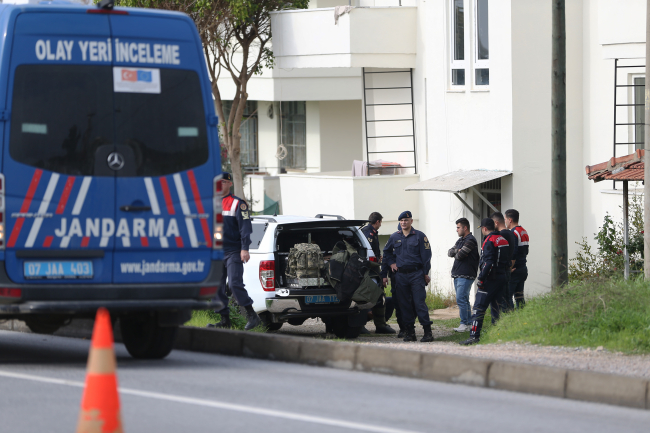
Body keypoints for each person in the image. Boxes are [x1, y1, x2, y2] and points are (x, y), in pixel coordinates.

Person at [208, 172, 261, 331]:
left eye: (223, 182)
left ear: (230, 184)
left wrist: (245, 248)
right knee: (216, 286)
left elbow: (245, 228)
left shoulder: (238, 204)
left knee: (234, 283)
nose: (220, 185)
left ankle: (252, 315)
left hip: (233, 251)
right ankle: (225, 320)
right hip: (216, 251)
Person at [382, 211, 434, 343]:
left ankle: (428, 332)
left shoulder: (420, 236)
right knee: (404, 304)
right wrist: (391, 263)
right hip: (401, 276)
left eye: (406, 220)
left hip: (416, 274)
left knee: (419, 303)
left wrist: (425, 273)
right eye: (401, 221)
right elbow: (386, 252)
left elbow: (427, 256)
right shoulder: (395, 237)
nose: (403, 223)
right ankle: (410, 332)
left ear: (411, 221)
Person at [460, 218, 509, 345]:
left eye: (481, 228)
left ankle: (474, 336)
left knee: (478, 308)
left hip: (490, 279)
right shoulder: (503, 239)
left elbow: (488, 262)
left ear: (484, 228)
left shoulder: (489, 240)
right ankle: (498, 335)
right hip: (502, 277)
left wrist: (481, 278)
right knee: (497, 308)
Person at [360, 212, 396, 334]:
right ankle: (361, 325)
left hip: (373, 270)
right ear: (377, 222)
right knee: (367, 297)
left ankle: (381, 325)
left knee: (380, 297)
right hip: (369, 272)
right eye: (380, 222)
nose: (380, 224)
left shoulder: (370, 231)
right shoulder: (368, 233)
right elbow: (366, 252)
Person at [448, 218, 479, 333]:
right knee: (463, 299)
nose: (456, 230)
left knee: (461, 298)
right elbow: (449, 252)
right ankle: (468, 323)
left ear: (465, 228)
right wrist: (458, 251)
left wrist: (458, 252)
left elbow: (460, 255)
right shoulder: (460, 240)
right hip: (457, 274)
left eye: (458, 227)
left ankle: (465, 323)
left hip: (466, 274)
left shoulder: (471, 240)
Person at [489, 211, 517, 319]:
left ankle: (505, 323)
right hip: (507, 269)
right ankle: (510, 321)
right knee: (507, 299)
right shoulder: (510, 233)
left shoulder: (502, 235)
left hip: (503, 270)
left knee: (503, 301)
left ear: (496, 222)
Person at [505, 209, 529, 308]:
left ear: (510, 220)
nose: (505, 221)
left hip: (515, 270)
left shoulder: (513, 233)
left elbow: (513, 253)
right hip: (523, 268)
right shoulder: (523, 231)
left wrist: (510, 268)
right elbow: (526, 250)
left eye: (505, 219)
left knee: (507, 297)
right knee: (519, 296)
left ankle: (510, 319)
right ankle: (522, 318)